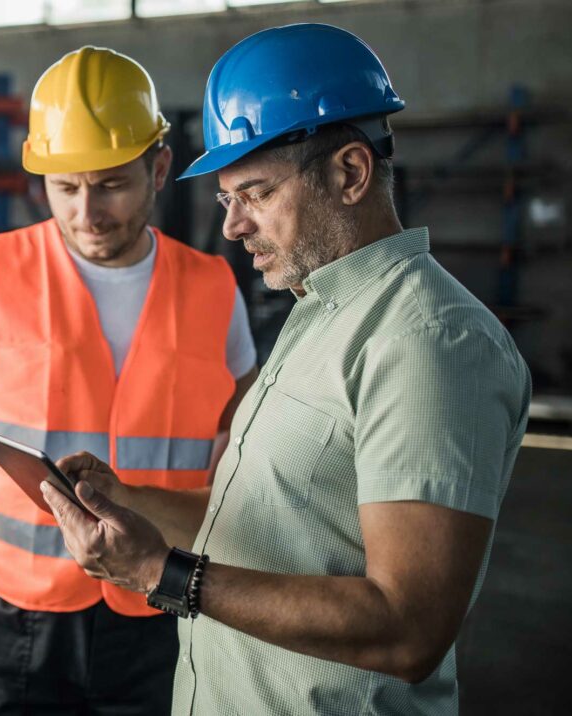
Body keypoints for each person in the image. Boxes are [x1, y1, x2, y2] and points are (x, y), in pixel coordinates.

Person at [41, 24, 531, 716]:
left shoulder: (428, 342)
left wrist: (161, 573)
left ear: (350, 173)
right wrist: (126, 499)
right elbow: (262, 521)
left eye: (257, 193)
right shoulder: (317, 309)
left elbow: (406, 628)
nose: (234, 226)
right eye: (226, 200)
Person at [0, 46, 258, 715]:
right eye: (64, 187)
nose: (86, 212)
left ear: (158, 168)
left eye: (110, 185)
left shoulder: (213, 287)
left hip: (158, 601)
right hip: (7, 610)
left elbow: (241, 438)